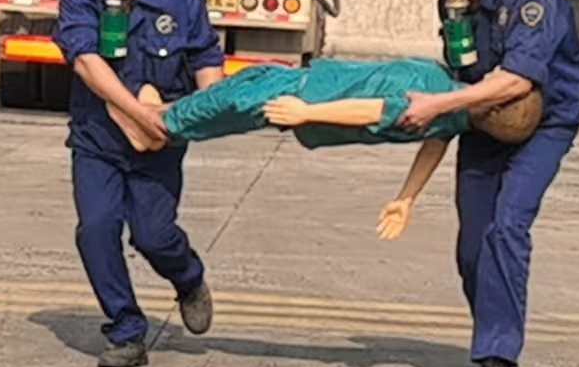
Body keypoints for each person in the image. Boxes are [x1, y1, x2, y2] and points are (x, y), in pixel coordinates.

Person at [394, 0, 579, 367]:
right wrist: (408, 193)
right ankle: (491, 350)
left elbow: (517, 80)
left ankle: (500, 360)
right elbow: (462, 70)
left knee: (507, 227)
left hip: (544, 124)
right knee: (473, 247)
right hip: (482, 120)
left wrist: (439, 104)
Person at [108, 58, 544, 241]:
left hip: (308, 89)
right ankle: (166, 118)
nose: (498, 73)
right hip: (311, 91)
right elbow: (434, 146)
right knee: (233, 107)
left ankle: (159, 125)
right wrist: (407, 198)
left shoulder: (436, 101)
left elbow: (372, 110)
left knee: (237, 99)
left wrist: (308, 111)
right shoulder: (450, 111)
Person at [55, 0, 224, 367]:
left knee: (154, 235)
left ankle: (188, 278)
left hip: (159, 143)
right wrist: (135, 113)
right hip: (98, 137)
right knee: (96, 228)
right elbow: (86, 61)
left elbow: (205, 55)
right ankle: (126, 330)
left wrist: (202, 110)